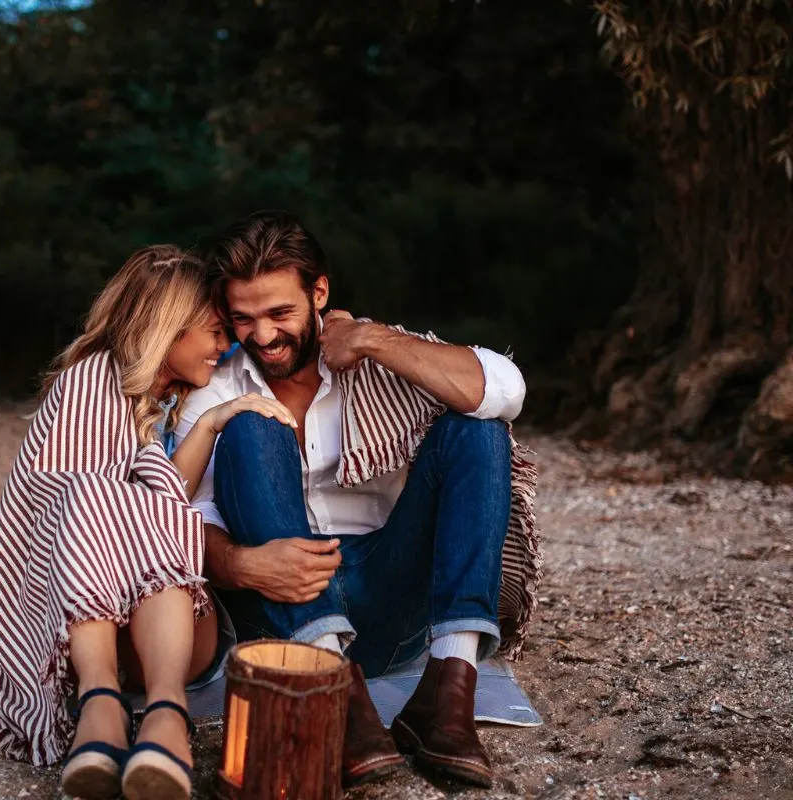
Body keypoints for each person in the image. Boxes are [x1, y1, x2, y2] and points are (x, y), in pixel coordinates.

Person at [0, 245, 294, 800]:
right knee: (92, 496)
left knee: (134, 507)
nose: (225, 346)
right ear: (168, 328)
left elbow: (153, 509)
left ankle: (149, 712)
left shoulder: (161, 396)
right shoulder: (90, 382)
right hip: (91, 637)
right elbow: (74, 514)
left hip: (164, 636)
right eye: (214, 331)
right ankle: (119, 709)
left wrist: (213, 423)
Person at [174, 211, 538, 789]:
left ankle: (447, 696)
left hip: (389, 591)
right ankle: (337, 692)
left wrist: (372, 339)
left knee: (478, 427)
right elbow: (181, 511)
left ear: (320, 293)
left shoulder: (380, 357)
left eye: (280, 313)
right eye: (243, 319)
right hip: (280, 609)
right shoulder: (216, 387)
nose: (262, 336)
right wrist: (240, 563)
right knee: (245, 427)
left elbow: (507, 388)